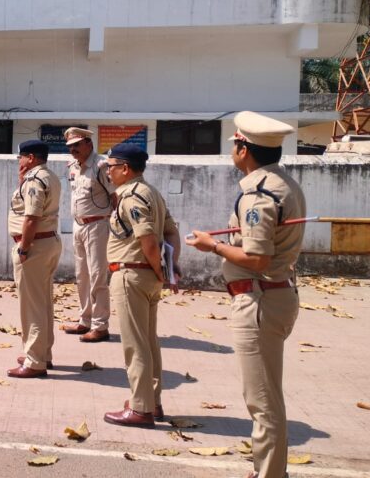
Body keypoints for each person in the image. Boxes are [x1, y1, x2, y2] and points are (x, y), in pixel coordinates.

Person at [185, 111, 305, 478]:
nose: (233, 151)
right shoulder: (284, 183)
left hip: (259, 299)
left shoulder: (258, 195)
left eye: (235, 144)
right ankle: (268, 468)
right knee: (264, 394)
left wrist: (213, 246)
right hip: (272, 294)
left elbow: (257, 258)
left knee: (262, 399)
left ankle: (270, 473)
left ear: (243, 149)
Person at [102, 143, 181, 428]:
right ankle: (152, 401)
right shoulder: (151, 193)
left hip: (131, 274)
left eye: (111, 166)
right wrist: (169, 268)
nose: (107, 172)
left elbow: (147, 240)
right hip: (146, 275)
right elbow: (171, 233)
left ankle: (141, 408)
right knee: (148, 341)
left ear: (125, 168)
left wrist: (162, 271)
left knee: (135, 345)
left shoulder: (132, 196)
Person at [6, 139, 62, 379]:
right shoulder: (49, 176)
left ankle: (35, 361)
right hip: (47, 242)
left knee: (32, 306)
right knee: (43, 302)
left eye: (21, 157)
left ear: (30, 158)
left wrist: (24, 248)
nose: (19, 161)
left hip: (35, 245)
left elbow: (31, 217)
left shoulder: (35, 179)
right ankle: (42, 353)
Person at [61, 127, 116, 342]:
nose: (73, 149)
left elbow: (115, 196)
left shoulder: (101, 166)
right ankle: (85, 320)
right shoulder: (73, 166)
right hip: (79, 225)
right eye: (70, 146)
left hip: (98, 225)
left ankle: (100, 326)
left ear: (88, 144)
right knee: (81, 275)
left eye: (77, 145)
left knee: (97, 276)